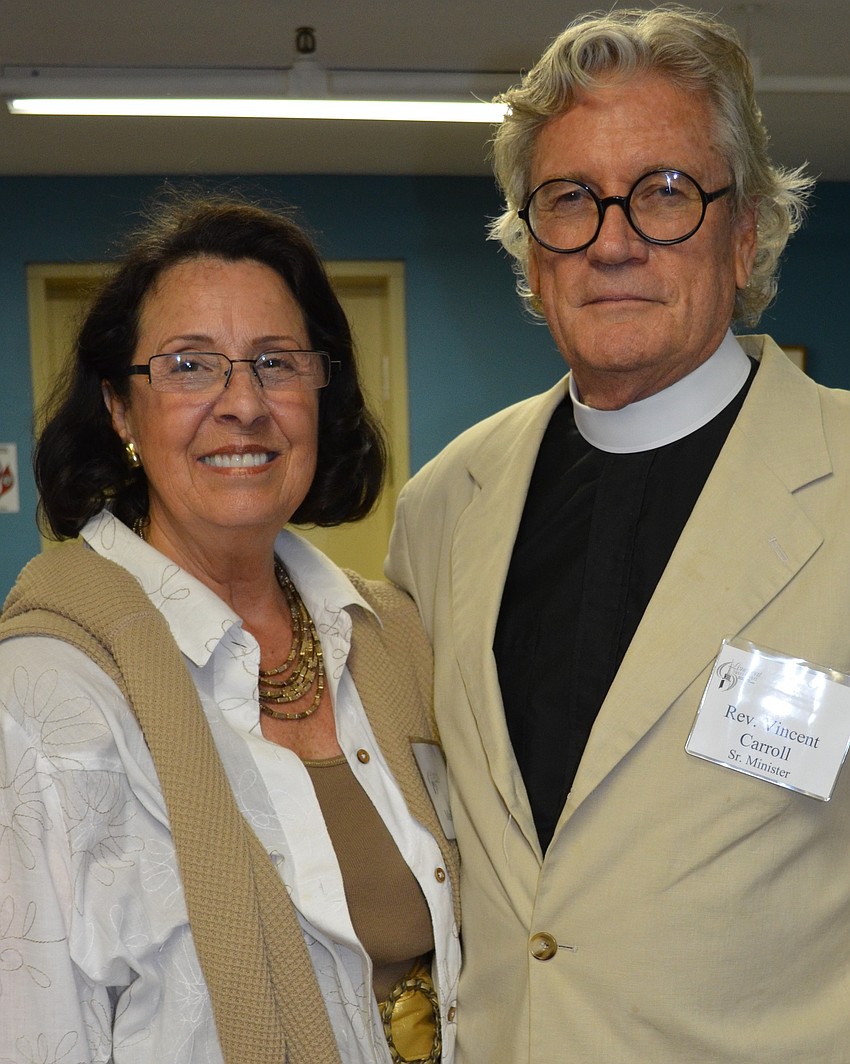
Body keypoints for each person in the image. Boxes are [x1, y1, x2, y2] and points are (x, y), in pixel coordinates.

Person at [386, 7, 850, 1063]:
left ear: (746, 232)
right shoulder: (443, 504)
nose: (612, 240)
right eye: (569, 199)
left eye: (665, 191)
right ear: (530, 247)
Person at [0, 194, 459, 1064]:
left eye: (276, 362)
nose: (243, 403)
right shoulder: (42, 701)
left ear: (320, 390)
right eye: (189, 365)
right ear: (120, 409)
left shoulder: (392, 638)